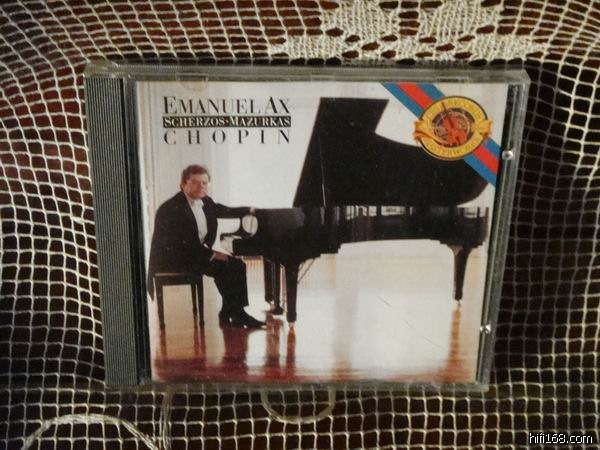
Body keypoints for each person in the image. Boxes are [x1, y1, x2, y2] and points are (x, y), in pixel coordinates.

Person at [147, 164, 265, 328]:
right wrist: (212, 254)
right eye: (195, 182)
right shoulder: (172, 208)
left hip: (195, 254)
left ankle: (228, 311)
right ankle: (238, 314)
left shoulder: (206, 201)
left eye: (204, 183)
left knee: (237, 265)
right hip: (174, 259)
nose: (201, 186)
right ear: (183, 184)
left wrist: (251, 210)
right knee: (224, 267)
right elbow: (180, 245)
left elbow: (224, 210)